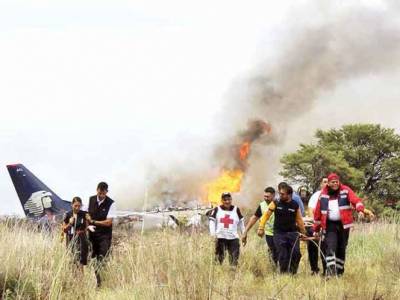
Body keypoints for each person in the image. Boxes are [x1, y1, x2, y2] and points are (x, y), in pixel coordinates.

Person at [313, 173, 372, 276]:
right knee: (330, 247)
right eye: (332, 182)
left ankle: (339, 272)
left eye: (336, 181)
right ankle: (330, 273)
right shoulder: (323, 194)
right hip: (329, 225)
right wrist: (316, 229)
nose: (335, 184)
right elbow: (318, 213)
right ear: (329, 183)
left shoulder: (346, 190)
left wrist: (360, 210)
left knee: (341, 248)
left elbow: (356, 200)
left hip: (343, 225)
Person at [258, 184, 306, 274]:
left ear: (289, 195)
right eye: (280, 194)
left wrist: (303, 232)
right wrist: (261, 228)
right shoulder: (275, 203)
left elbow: (299, 220)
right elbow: (265, 216)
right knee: (283, 255)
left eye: (282, 194)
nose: (280, 196)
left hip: (293, 233)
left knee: (296, 254)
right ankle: (283, 274)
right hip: (279, 233)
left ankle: (292, 273)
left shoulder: (295, 205)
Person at [88, 182, 116, 286]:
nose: (101, 196)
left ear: (106, 192)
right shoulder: (91, 200)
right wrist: (88, 224)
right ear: (97, 190)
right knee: (93, 258)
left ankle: (102, 282)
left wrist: (94, 222)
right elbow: (86, 213)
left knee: (102, 258)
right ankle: (97, 282)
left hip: (104, 236)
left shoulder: (111, 203)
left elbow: (108, 222)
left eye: (103, 193)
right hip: (92, 235)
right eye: (100, 193)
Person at [241, 187, 278, 266]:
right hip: (269, 233)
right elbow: (254, 218)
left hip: (280, 233)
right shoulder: (262, 205)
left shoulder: (278, 204)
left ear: (273, 196)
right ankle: (274, 269)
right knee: (272, 252)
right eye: (264, 196)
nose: (265, 198)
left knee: (281, 252)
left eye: (268, 196)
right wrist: (245, 232)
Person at [209, 192, 245, 266]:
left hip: (233, 238)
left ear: (231, 200)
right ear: (222, 200)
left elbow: (241, 222)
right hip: (221, 238)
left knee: (234, 258)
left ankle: (232, 274)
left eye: (229, 199)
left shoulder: (236, 209)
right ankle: (218, 273)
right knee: (219, 258)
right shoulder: (217, 209)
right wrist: (213, 234)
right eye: (225, 200)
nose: (227, 201)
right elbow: (212, 222)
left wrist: (244, 234)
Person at [62, 197, 90, 270]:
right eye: (75, 206)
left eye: (79, 206)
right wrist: (70, 224)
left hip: (81, 239)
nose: (77, 208)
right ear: (72, 205)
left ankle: (81, 279)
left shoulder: (84, 214)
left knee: (80, 261)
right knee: (72, 259)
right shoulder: (67, 215)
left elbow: (87, 227)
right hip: (70, 239)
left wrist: (83, 232)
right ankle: (73, 278)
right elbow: (64, 229)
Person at [299, 185, 321, 275]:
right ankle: (308, 268)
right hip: (302, 225)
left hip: (312, 224)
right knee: (303, 248)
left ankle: (315, 268)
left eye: (305, 191)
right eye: (302, 191)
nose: (303, 193)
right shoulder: (297, 199)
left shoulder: (312, 198)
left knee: (314, 247)